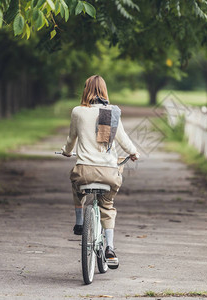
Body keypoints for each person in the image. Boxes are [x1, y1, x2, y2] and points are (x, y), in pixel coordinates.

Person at [61, 75, 139, 268]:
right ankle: (110, 248)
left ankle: (80, 221)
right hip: (109, 173)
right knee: (107, 205)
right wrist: (133, 152)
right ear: (104, 90)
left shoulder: (78, 111)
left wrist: (66, 152)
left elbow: (72, 138)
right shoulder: (111, 112)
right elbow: (123, 139)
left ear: (86, 90)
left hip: (84, 171)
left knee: (76, 182)